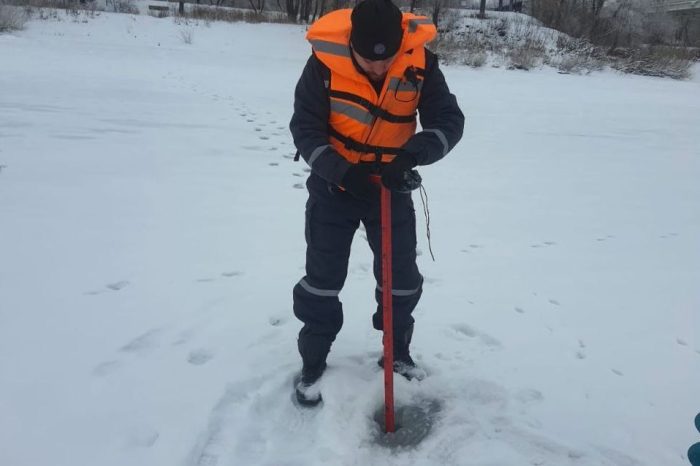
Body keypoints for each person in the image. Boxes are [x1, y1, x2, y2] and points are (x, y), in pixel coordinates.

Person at [290, 0, 464, 406]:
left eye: (386, 59)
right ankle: (313, 361)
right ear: (352, 44)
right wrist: (342, 173)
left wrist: (411, 156)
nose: (378, 68)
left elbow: (448, 121)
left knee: (401, 278)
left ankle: (397, 353)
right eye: (368, 59)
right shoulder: (322, 66)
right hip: (335, 187)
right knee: (322, 280)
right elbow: (305, 129)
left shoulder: (421, 64)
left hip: (391, 186)